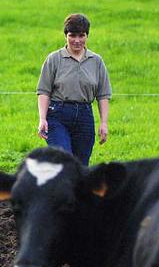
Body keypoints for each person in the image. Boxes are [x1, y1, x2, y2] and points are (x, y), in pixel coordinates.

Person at [36, 13, 112, 166]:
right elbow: (44, 91)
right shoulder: (54, 59)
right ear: (66, 36)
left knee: (81, 166)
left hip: (85, 117)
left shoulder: (96, 61)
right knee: (64, 161)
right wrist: (42, 119)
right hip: (58, 116)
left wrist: (104, 123)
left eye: (81, 35)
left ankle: (75, 191)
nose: (77, 40)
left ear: (87, 36)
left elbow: (103, 95)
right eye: (72, 35)